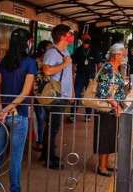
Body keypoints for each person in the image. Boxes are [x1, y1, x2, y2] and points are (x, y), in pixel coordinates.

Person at [0, 28, 37, 192]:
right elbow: (25, 92)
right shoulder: (31, 62)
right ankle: (14, 190)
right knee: (15, 158)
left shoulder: (4, 61)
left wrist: (0, 109)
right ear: (27, 42)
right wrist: (8, 109)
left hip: (1, 116)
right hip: (19, 115)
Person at [40, 24, 74, 170]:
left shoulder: (65, 51)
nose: (71, 36)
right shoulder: (52, 53)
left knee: (53, 127)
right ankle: (49, 158)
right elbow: (46, 71)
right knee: (53, 127)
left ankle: (47, 154)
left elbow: (68, 75)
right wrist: (64, 64)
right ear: (62, 36)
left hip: (63, 95)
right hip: (55, 95)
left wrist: (72, 92)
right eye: (69, 34)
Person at [93, 43, 127, 177]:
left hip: (112, 110)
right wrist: (116, 105)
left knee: (109, 137)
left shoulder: (116, 68)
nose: (124, 56)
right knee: (104, 137)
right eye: (122, 53)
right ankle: (101, 167)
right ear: (116, 54)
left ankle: (105, 164)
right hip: (106, 110)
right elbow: (103, 91)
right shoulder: (108, 67)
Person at [70, 33, 98, 122]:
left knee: (88, 95)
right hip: (80, 75)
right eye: (84, 38)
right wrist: (72, 74)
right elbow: (74, 63)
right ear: (82, 39)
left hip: (90, 76)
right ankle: (72, 114)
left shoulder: (94, 50)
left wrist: (96, 77)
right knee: (76, 94)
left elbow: (98, 64)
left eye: (88, 38)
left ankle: (88, 115)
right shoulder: (78, 50)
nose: (86, 40)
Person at [33, 40, 53, 152]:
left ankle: (45, 142)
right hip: (38, 93)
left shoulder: (50, 60)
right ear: (42, 49)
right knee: (40, 118)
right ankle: (40, 141)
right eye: (49, 48)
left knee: (47, 118)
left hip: (49, 93)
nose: (51, 51)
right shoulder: (35, 61)